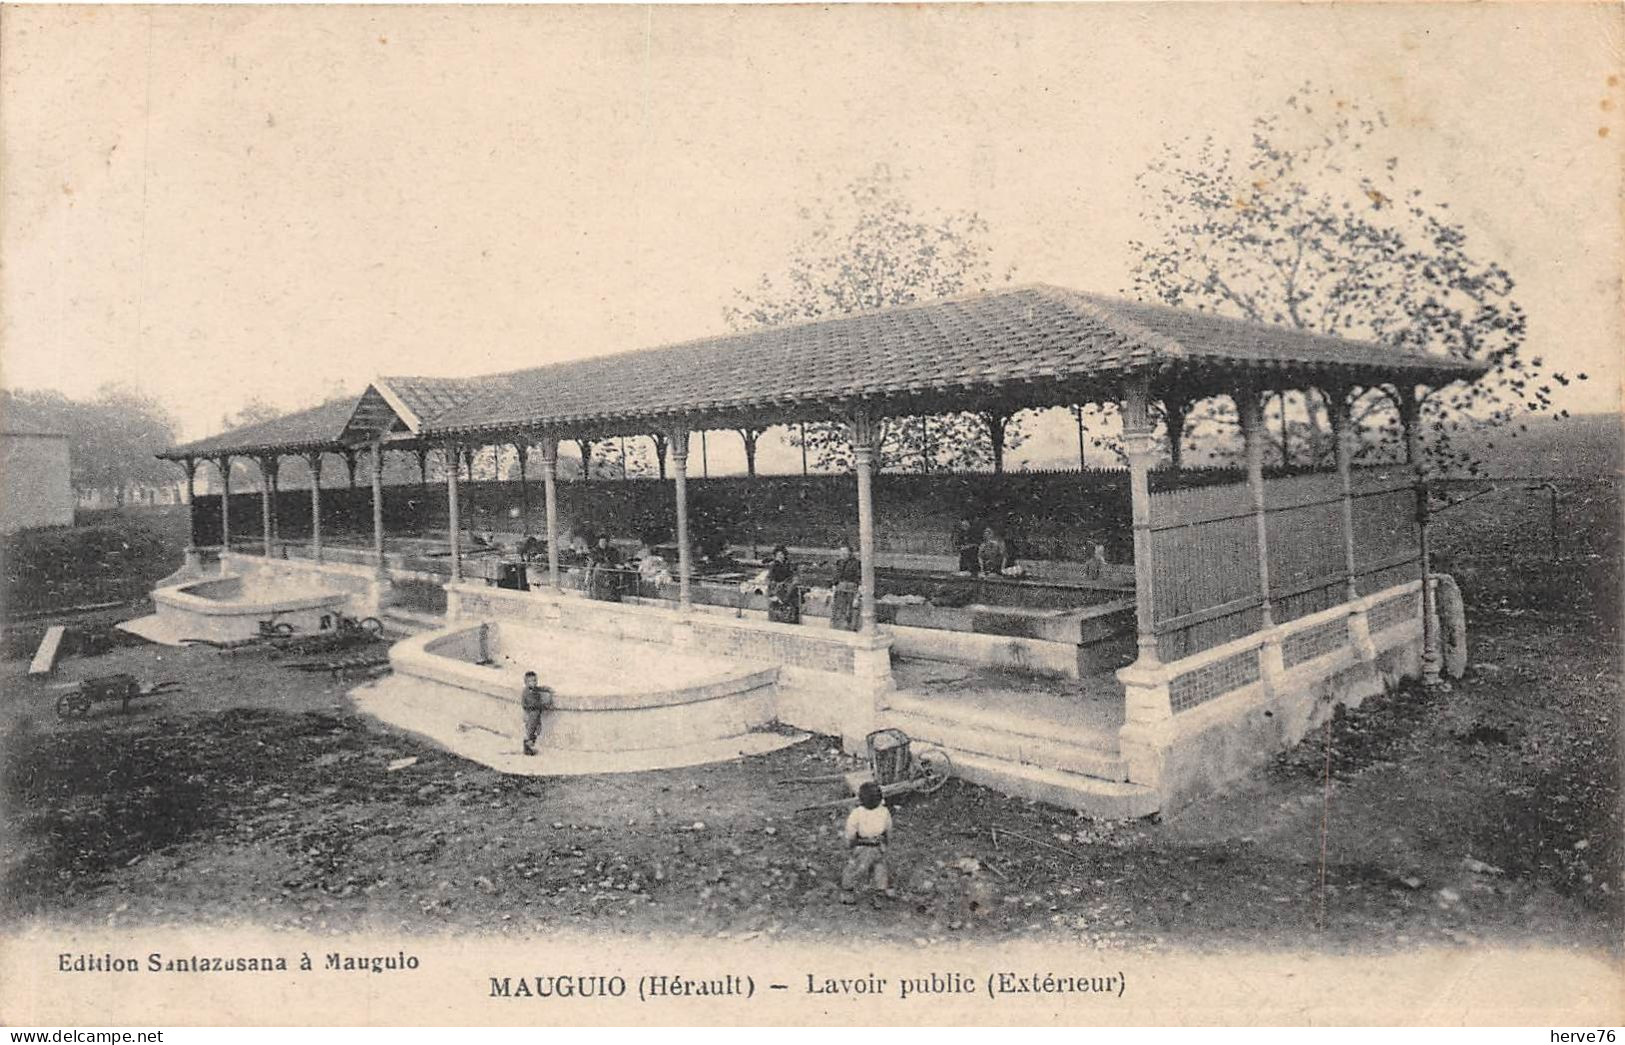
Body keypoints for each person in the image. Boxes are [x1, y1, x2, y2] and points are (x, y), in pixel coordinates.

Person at [840, 780, 893, 907]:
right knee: (879, 868)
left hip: (861, 845)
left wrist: (850, 845)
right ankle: (879, 897)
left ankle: (848, 894)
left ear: (861, 799)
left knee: (854, 868)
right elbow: (888, 830)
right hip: (877, 846)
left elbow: (850, 832)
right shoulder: (884, 812)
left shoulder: (857, 813)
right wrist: (886, 844)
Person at [520, 670, 555, 757]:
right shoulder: (527, 693)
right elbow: (535, 705)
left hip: (535, 714)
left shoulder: (533, 689)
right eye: (531, 681)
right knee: (531, 731)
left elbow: (539, 688)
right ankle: (527, 748)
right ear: (526, 683)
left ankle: (529, 746)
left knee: (536, 730)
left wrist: (547, 689)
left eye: (535, 680)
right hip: (531, 714)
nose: (534, 683)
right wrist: (546, 706)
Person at [765, 545, 801, 625]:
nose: (780, 557)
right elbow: (770, 578)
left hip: (787, 586)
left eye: (782, 555)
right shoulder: (773, 565)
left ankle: (791, 617)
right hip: (778, 587)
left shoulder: (787, 565)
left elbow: (791, 575)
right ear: (775, 556)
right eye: (778, 555)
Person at [830, 542, 862, 632]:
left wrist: (857, 595)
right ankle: (837, 629)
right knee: (838, 610)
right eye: (841, 553)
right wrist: (833, 587)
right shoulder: (839, 562)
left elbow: (859, 579)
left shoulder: (856, 563)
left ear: (850, 553)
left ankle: (850, 629)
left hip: (851, 589)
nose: (842, 554)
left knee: (850, 611)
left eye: (845, 552)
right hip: (840, 588)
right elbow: (836, 576)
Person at [588, 534, 621, 602]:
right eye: (601, 542)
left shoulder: (611, 550)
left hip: (608, 571)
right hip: (598, 571)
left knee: (611, 582)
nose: (603, 543)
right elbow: (592, 561)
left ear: (606, 542)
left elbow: (614, 560)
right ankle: (597, 596)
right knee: (597, 583)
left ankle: (610, 597)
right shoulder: (594, 550)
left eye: (604, 542)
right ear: (599, 542)